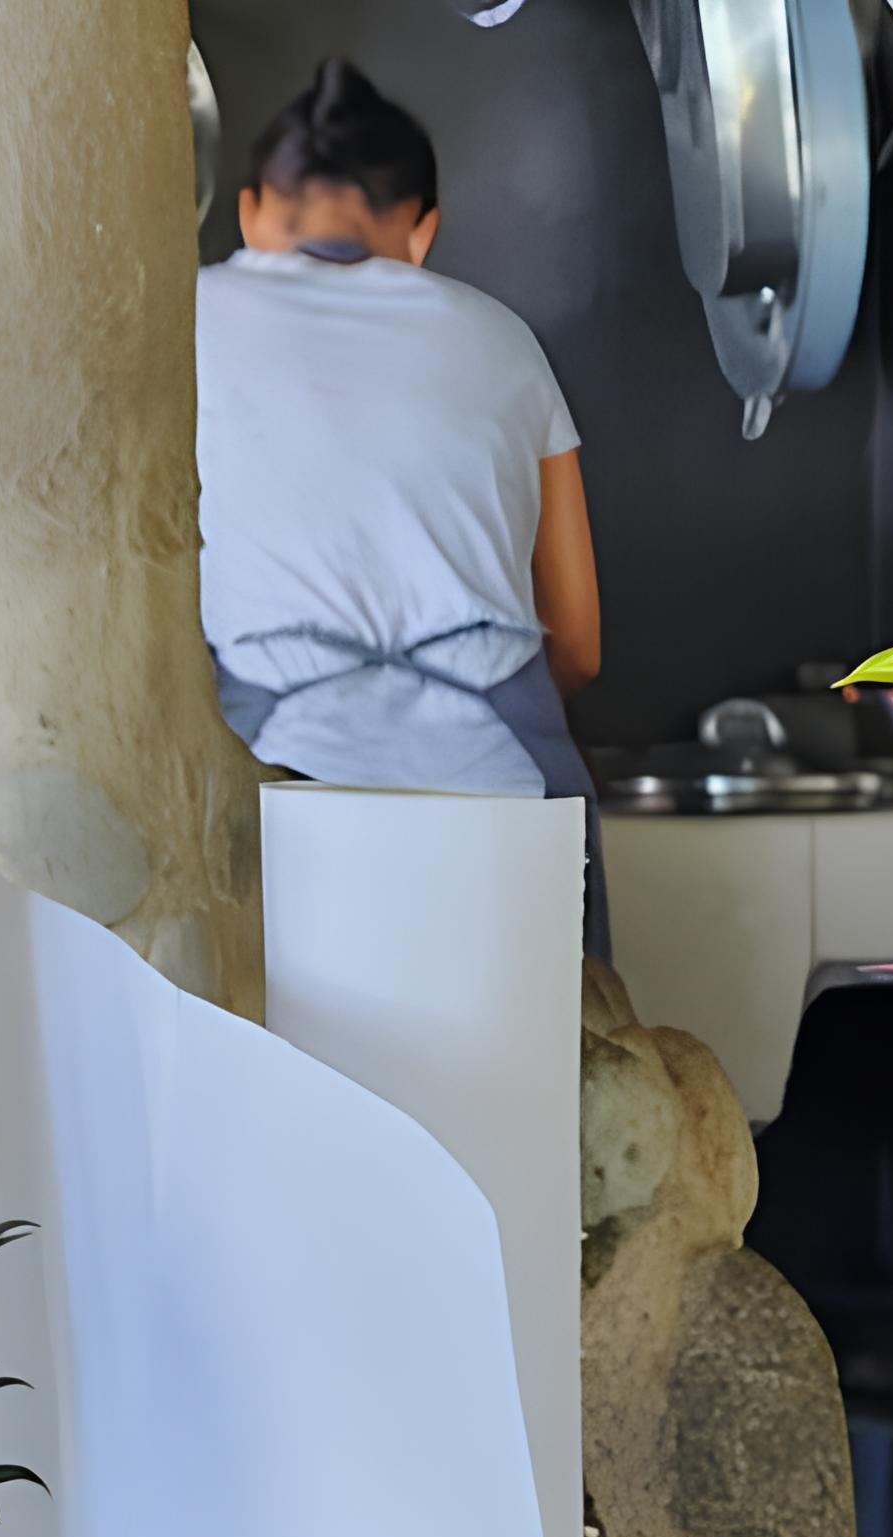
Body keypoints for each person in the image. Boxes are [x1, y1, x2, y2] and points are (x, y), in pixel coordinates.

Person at [196, 59, 608, 940]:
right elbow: (576, 642)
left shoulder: (185, 319)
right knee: (568, 1063)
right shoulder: (503, 338)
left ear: (251, 213)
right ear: (420, 231)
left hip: (269, 788)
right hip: (500, 786)